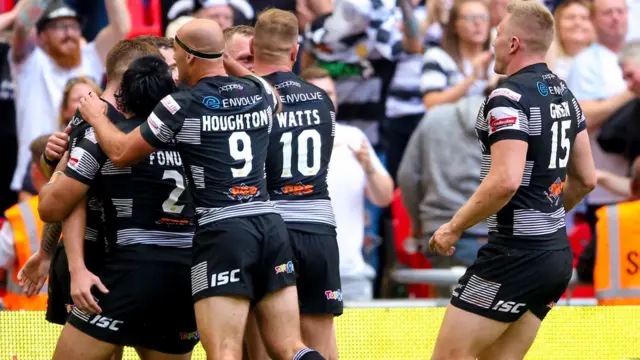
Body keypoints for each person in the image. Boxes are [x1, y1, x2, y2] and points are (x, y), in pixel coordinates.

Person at [77, 18, 326, 360]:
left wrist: (97, 117)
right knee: (291, 348)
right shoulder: (260, 92)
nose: (175, 67)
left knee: (224, 350)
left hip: (223, 233)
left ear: (190, 58)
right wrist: (222, 56)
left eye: (177, 56)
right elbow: (259, 88)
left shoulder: (180, 104)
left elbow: (120, 153)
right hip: (270, 227)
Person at [428, 1, 596, 359]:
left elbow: (505, 180)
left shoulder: (507, 96)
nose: (493, 43)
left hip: (513, 254)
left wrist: (453, 227)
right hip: (555, 255)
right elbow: (586, 179)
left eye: (498, 35)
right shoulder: (566, 94)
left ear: (514, 43)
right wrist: (545, 212)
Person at [39, 54, 198, 360]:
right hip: (187, 274)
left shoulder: (106, 138)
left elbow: (52, 208)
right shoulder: (197, 137)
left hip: (133, 270)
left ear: (122, 97)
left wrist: (57, 166)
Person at [19, 38, 161, 337]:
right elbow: (63, 203)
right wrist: (54, 257)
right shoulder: (94, 121)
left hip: (141, 260)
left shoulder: (157, 117)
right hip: (97, 261)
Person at [224, 10, 340, 360]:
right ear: (295, 52)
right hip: (319, 228)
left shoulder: (247, 100)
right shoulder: (323, 100)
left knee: (266, 347)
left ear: (255, 48)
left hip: (271, 230)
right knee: (320, 345)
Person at [9, 0, 130, 197]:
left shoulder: (91, 57)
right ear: (41, 36)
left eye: (73, 25)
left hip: (83, 170)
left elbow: (121, 28)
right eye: (58, 26)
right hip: (36, 173)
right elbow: (23, 25)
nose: (68, 32)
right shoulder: (30, 62)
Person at [300, 67, 393, 303]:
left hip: (350, 271)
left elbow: (384, 198)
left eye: (330, 93)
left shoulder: (354, 137)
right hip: (301, 272)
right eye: (318, 93)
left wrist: (369, 167)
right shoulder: (286, 140)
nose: (327, 100)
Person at [567, 0, 634, 234]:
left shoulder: (636, 50)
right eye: (607, 13)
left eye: (620, 11)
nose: (615, 17)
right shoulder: (586, 62)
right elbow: (581, 117)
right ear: (593, 20)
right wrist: (631, 93)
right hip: (606, 189)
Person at [0, 135, 53, 311]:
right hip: (70, 318)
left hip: (24, 321)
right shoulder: (84, 208)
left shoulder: (20, 215)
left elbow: (1, 259)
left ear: (35, 170)